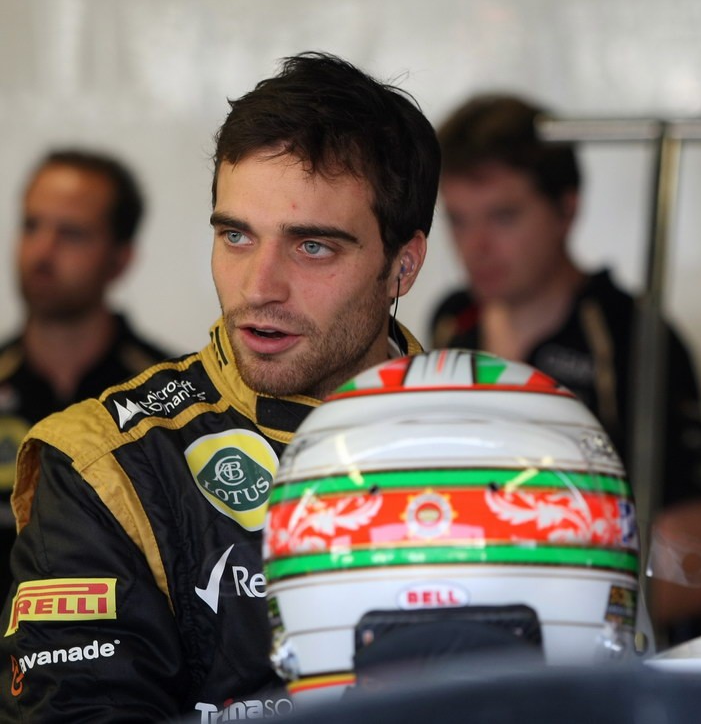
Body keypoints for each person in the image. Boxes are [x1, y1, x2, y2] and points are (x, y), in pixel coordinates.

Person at [0, 52, 440, 722]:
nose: (259, 287)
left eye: (312, 246)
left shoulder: (509, 453)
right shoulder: (104, 462)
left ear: (403, 264)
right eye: (236, 235)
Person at [427, 94, 701, 637]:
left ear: (567, 207)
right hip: (458, 633)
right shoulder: (451, 324)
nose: (476, 246)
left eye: (504, 216)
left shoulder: (634, 336)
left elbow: (690, 563)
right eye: (458, 221)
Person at [0, 150, 170, 600]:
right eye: (31, 226)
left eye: (71, 234)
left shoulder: (168, 395)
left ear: (120, 260)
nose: (41, 252)